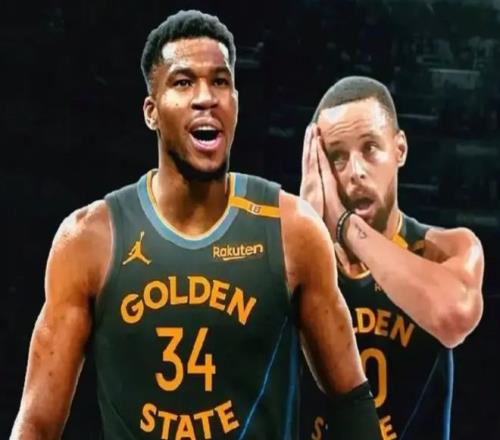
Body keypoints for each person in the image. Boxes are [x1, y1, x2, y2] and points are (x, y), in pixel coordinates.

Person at [11, 12, 382, 440]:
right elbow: (37, 423)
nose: (206, 97)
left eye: (220, 82)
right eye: (183, 82)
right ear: (151, 112)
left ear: (236, 103)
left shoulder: (292, 230)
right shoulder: (89, 239)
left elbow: (350, 400)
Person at [300, 76, 484, 440]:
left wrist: (345, 226)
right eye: (337, 157)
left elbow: (454, 316)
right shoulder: (296, 256)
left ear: (399, 149)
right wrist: (305, 231)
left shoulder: (447, 247)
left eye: (370, 148)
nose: (355, 172)